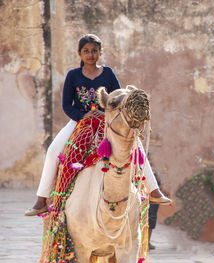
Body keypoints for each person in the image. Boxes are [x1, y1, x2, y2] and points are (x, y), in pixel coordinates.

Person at [25, 34, 170, 216]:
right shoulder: (73, 75)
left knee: (136, 144)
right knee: (54, 150)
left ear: (100, 52)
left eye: (94, 51)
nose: (90, 54)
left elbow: (119, 98)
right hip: (80, 122)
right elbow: (66, 105)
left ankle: (154, 190)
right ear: (79, 53)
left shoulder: (108, 73)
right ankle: (41, 199)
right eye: (86, 51)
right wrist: (83, 115)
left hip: (106, 122)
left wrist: (105, 114)